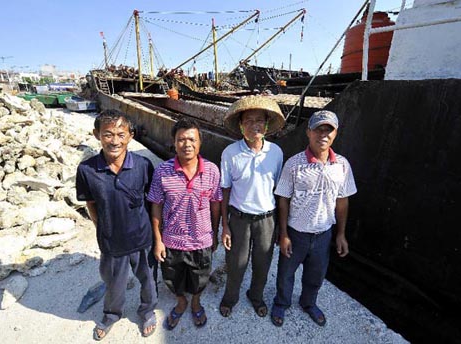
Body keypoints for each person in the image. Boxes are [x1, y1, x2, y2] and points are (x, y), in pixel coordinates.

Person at [75, 109, 158, 340]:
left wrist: (155, 234)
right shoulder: (87, 170)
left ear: (131, 135)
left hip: (142, 238)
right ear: (96, 135)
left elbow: (152, 202)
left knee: (149, 280)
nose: (115, 141)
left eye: (121, 134)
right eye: (108, 134)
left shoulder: (143, 165)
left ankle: (147, 310)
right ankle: (111, 315)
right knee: (113, 283)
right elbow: (90, 203)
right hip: (112, 241)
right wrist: (102, 227)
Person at [270, 110, 357, 327]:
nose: (323, 135)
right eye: (319, 130)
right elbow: (283, 200)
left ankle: (309, 303)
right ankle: (281, 303)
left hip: (323, 234)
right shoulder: (294, 164)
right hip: (296, 232)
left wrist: (341, 234)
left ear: (336, 134)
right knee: (285, 273)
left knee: (316, 275)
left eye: (329, 130)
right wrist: (284, 234)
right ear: (309, 132)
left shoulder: (343, 165)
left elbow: (343, 201)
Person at [148, 118, 222, 330]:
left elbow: (216, 204)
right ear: (174, 142)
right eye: (181, 139)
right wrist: (158, 240)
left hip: (201, 239)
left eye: (192, 139)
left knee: (200, 277)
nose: (186, 144)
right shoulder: (163, 171)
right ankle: (181, 302)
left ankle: (196, 302)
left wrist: (214, 234)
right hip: (172, 239)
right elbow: (156, 206)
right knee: (172, 277)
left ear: (199, 143)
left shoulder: (212, 171)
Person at [219, 95, 285, 318]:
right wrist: (225, 226)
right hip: (239, 218)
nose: (254, 125)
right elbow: (225, 189)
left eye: (259, 120)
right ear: (240, 126)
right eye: (248, 121)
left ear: (266, 124)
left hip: (267, 218)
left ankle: (255, 296)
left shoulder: (276, 152)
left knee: (262, 262)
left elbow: (277, 189)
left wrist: (279, 227)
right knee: (236, 263)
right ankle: (230, 297)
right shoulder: (230, 153)